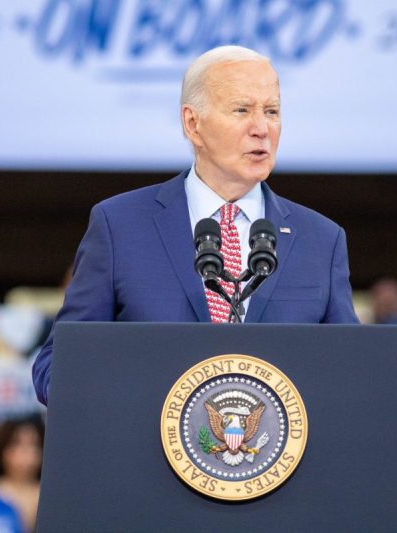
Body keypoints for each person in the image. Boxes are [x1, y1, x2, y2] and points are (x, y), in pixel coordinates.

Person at [32, 45, 359, 405]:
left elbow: (351, 373)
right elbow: (57, 366)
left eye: (272, 111)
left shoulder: (321, 241)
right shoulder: (119, 226)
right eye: (241, 110)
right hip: (146, 454)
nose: (262, 129)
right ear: (193, 123)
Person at [0, 417, 45, 532]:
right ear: (2, 450)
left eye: (34, 444)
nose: (26, 451)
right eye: (16, 444)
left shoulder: (50, 494)